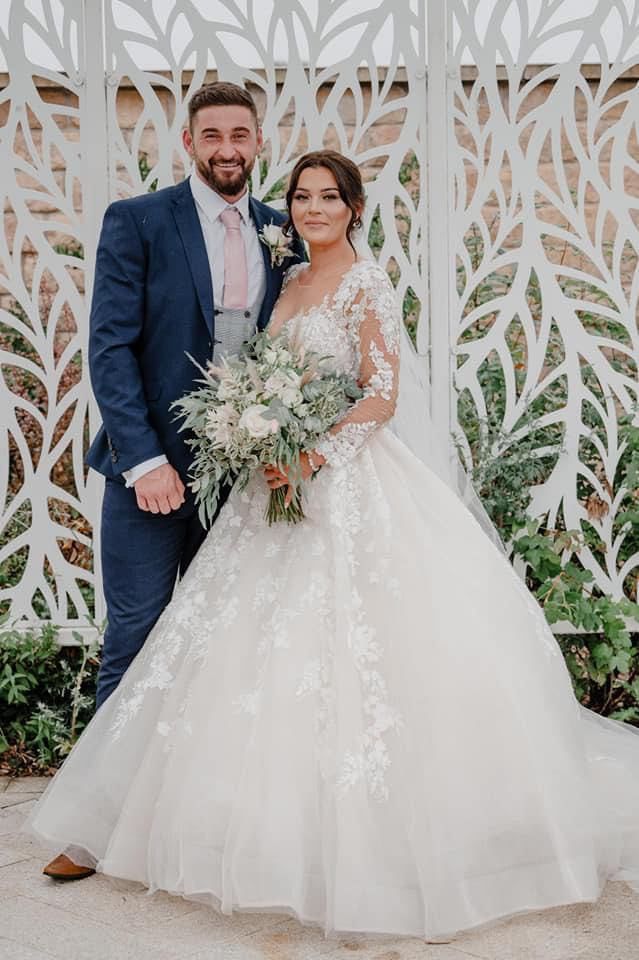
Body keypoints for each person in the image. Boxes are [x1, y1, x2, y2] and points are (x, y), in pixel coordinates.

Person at [28, 150, 639, 941]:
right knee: (234, 655)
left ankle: (377, 845)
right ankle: (208, 827)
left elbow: (380, 395)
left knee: (368, 658)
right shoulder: (285, 281)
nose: (313, 208)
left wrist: (310, 453)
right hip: (269, 487)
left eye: (329, 197)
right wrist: (259, 438)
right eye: (302, 196)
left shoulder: (365, 282)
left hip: (344, 482)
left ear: (353, 207)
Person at [39, 80, 304, 881]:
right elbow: (110, 349)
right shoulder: (137, 221)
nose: (227, 148)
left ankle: (201, 824)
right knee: (137, 637)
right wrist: (146, 460)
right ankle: (92, 828)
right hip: (148, 474)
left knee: (228, 651)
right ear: (189, 142)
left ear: (258, 142)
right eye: (212, 134)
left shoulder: (280, 230)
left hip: (246, 480)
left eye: (241, 134)